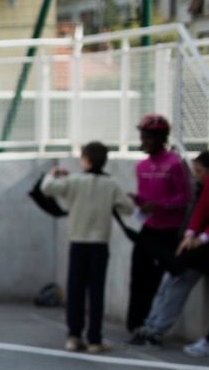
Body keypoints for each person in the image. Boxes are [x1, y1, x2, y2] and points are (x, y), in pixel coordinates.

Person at [40, 141, 136, 353]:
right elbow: (128, 208)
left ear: (85, 160)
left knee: (76, 290)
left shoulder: (74, 181)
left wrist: (54, 172)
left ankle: (74, 336)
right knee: (96, 292)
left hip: (78, 242)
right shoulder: (110, 184)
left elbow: (47, 188)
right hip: (99, 244)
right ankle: (94, 339)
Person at [132, 150, 209, 348]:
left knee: (177, 282)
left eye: (199, 171)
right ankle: (151, 325)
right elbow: (199, 211)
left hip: (201, 248)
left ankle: (155, 329)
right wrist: (190, 234)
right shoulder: (201, 186)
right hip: (193, 244)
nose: (195, 175)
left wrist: (200, 237)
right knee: (171, 282)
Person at [128, 114, 193, 335]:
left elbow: (185, 197)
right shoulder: (141, 166)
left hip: (168, 231)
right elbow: (144, 198)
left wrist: (159, 205)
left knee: (158, 281)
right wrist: (139, 203)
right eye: (142, 137)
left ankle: (150, 325)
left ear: (160, 138)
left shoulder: (175, 164)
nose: (144, 142)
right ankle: (134, 323)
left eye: (148, 138)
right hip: (148, 228)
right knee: (138, 274)